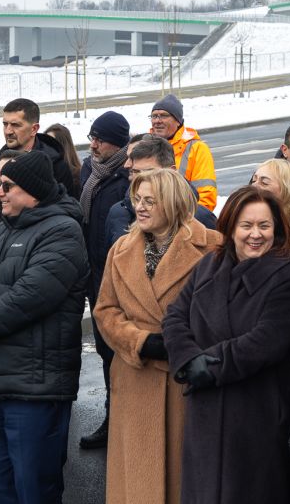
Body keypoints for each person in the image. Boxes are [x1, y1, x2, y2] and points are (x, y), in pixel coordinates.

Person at [0, 152, 89, 504]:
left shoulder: (63, 231)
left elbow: (31, 295)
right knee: (2, 487)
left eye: (7, 186)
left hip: (34, 387)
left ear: (33, 192)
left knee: (33, 487)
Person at [162, 187, 290, 504]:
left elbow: (266, 341)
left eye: (264, 226)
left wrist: (208, 365)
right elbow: (175, 316)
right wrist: (187, 359)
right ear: (230, 227)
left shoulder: (287, 275)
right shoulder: (209, 265)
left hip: (255, 414)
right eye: (246, 225)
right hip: (205, 411)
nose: (256, 234)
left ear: (277, 229)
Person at [93, 168, 222, 503]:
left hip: (185, 378)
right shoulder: (121, 249)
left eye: (150, 201)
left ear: (173, 202)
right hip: (135, 377)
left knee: (186, 481)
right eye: (137, 199)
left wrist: (181, 345)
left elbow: (223, 313)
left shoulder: (212, 246)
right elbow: (105, 310)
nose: (140, 207)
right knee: (139, 482)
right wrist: (139, 342)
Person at [75, 111, 131, 451]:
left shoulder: (126, 176)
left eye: (101, 140)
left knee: (119, 353)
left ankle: (121, 422)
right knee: (103, 350)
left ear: (119, 144)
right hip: (93, 276)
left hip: (116, 277)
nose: (93, 145)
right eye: (92, 137)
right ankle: (113, 419)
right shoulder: (90, 170)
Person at [103, 135, 218, 244]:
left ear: (171, 171)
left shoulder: (199, 216)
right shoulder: (118, 213)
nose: (142, 179)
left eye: (150, 172)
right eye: (136, 172)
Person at [0, 98, 78, 205]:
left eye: (15, 125)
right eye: (5, 124)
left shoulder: (57, 168)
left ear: (34, 129)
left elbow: (67, 209)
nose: (8, 131)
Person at [149, 94, 217, 210]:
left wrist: (180, 218)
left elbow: (206, 199)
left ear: (178, 121)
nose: (157, 121)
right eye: (154, 116)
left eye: (164, 116)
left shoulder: (197, 149)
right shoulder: (144, 145)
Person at [45, 123, 83, 190]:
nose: (46, 146)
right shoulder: (40, 171)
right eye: (45, 142)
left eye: (51, 142)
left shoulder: (77, 176)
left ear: (63, 145)